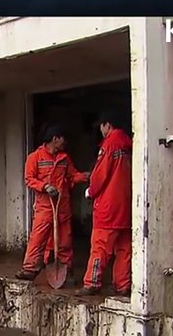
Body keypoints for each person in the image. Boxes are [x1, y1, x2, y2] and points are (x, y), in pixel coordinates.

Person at [15, 126, 89, 284]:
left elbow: (72, 176)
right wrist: (44, 187)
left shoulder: (64, 158)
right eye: (63, 139)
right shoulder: (35, 157)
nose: (65, 143)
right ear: (55, 138)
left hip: (62, 206)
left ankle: (66, 270)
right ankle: (30, 269)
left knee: (65, 240)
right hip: (45, 206)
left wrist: (85, 177)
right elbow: (29, 179)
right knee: (38, 238)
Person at [77, 112, 133, 296]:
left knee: (100, 246)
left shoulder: (109, 145)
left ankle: (92, 282)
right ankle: (122, 285)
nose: (100, 131)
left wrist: (90, 191)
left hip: (108, 207)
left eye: (100, 127)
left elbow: (100, 176)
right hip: (126, 206)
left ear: (106, 125)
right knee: (124, 248)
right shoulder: (129, 145)